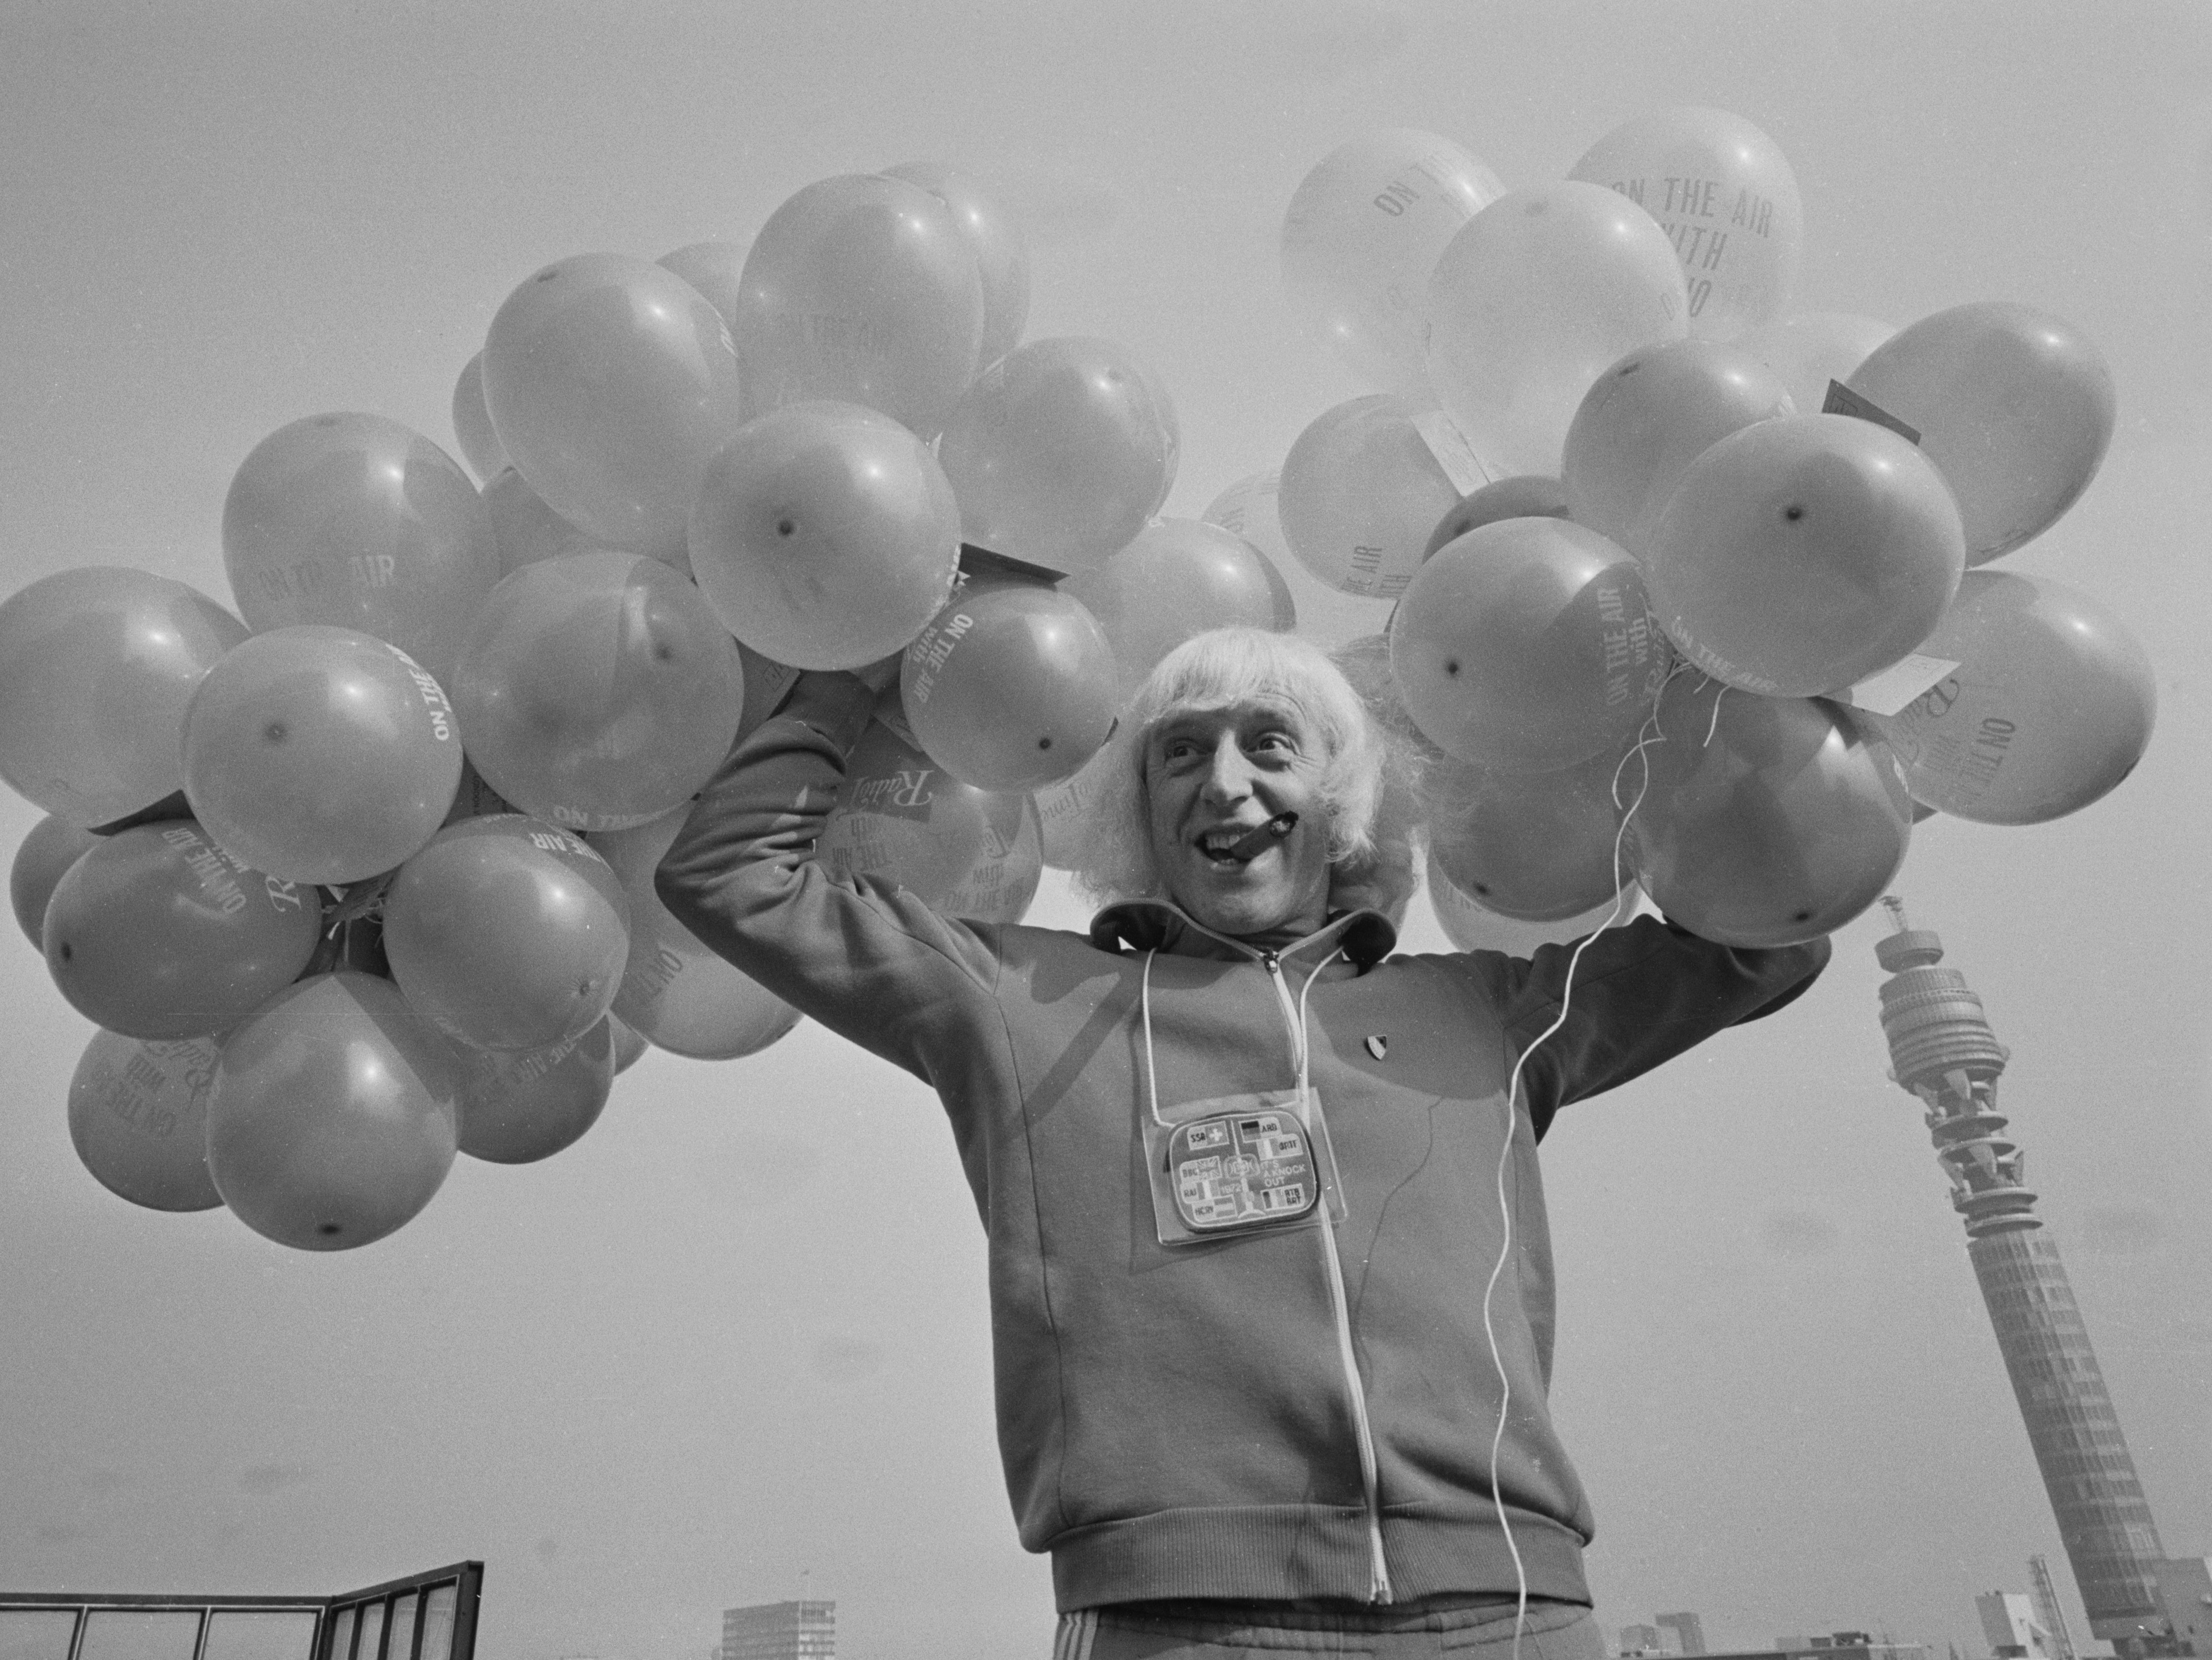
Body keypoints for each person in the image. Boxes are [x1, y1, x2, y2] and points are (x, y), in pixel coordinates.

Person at [656, 626, 1828, 1660]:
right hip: (1181, 1622)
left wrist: (1707, 688)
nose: (1225, 782)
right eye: (1181, 750)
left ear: (1343, 796)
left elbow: (1765, 938)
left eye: (1270, 744)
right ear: (1137, 811)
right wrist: (852, 669)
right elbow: (729, 876)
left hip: (1509, 1608)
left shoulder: (1490, 1011)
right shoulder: (1013, 999)